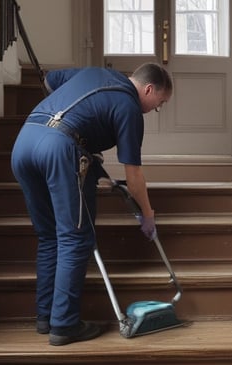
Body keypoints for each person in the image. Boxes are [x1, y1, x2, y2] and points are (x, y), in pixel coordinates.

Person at [11, 62, 172, 346]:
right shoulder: (130, 108)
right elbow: (133, 175)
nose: (153, 110)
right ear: (148, 89)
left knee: (49, 237)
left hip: (25, 141)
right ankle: (64, 325)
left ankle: (45, 317)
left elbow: (50, 81)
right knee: (75, 238)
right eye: (158, 104)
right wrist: (148, 214)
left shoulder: (96, 72)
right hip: (58, 150)